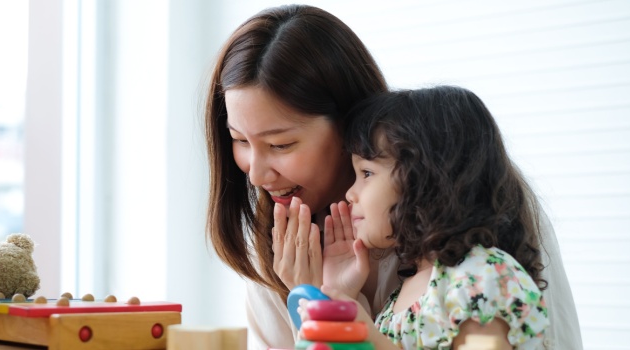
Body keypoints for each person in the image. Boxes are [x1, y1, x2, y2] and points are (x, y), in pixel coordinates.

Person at [203, 4, 581, 350]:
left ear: (348, 127)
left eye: (281, 144)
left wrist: (332, 310)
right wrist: (321, 297)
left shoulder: (480, 259)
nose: (256, 174)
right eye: (239, 140)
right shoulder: (280, 247)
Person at [299, 85, 549, 349]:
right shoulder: (403, 296)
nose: (350, 193)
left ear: (424, 180)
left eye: (367, 173)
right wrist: (340, 294)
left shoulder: (480, 277)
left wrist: (370, 340)